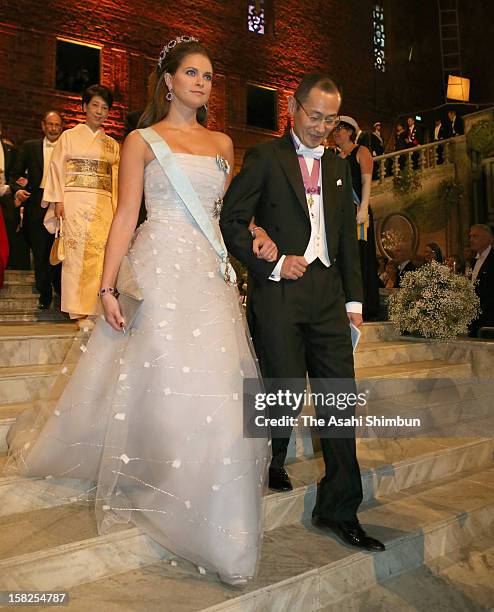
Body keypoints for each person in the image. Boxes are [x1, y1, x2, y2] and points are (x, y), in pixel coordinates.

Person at [6, 36, 269, 587]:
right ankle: (161, 476)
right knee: (164, 381)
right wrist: (106, 287)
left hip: (208, 274)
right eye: (191, 73)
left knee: (220, 386)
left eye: (208, 75)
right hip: (158, 271)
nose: (201, 82)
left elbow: (226, 217)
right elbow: (126, 215)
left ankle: (223, 523)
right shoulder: (141, 142)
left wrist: (256, 234)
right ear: (168, 79)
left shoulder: (223, 143)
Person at [221, 73, 385, 552]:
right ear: (293, 107)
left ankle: (339, 509)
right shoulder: (265, 158)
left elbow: (345, 242)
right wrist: (269, 260)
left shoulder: (338, 167)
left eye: (331, 120)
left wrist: (354, 302)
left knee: (339, 402)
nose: (321, 127)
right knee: (282, 387)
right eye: (315, 116)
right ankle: (268, 459)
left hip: (328, 297)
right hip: (280, 291)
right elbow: (231, 220)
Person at [42, 85, 119, 328]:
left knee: (100, 254)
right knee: (75, 256)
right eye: (95, 105)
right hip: (74, 200)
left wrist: (117, 209)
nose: (99, 111)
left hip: (102, 202)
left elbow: (115, 179)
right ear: (84, 107)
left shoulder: (112, 145)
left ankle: (96, 308)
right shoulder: (68, 137)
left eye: (104, 108)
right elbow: (56, 169)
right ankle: (77, 311)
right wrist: (58, 201)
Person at [12, 110, 63, 309]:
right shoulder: (29, 147)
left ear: (61, 127)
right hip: (36, 203)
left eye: (57, 125)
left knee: (59, 251)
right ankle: (45, 295)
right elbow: (15, 175)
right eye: (50, 124)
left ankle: (59, 290)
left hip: (61, 204)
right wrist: (18, 190)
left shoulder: (68, 149)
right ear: (43, 126)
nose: (53, 128)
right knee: (40, 251)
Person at [333, 116, 380, 320]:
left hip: (357, 211)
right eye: (334, 129)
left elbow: (366, 182)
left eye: (340, 129)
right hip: (340, 215)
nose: (335, 132)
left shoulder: (361, 151)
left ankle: (364, 306)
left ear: (350, 131)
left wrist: (363, 209)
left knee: (359, 257)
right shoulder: (334, 157)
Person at [468, 224, 494, 337]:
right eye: (470, 236)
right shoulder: (473, 261)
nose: (471, 240)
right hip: (475, 320)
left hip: (490, 320)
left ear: (489, 239)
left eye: (475, 236)